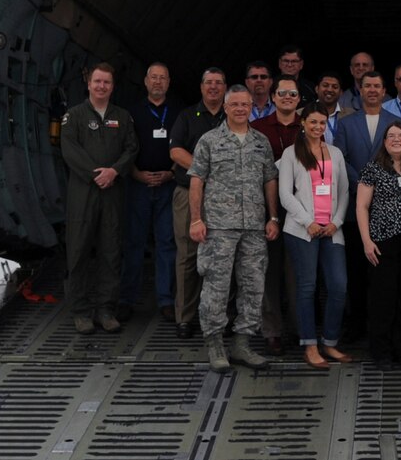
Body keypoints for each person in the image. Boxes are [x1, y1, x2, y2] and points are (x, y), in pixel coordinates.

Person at [189, 85, 281, 372]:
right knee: (216, 286)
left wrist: (273, 217)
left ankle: (242, 343)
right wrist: (195, 219)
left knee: (253, 286)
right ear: (226, 107)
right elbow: (197, 181)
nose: (241, 109)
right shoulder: (209, 141)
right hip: (218, 226)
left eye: (246, 105)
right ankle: (215, 343)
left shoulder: (261, 142)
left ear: (251, 107)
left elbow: (269, 180)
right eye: (236, 105)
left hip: (254, 226)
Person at [62, 64, 137, 333]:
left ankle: (106, 309)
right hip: (83, 193)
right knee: (79, 250)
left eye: (106, 82)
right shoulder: (74, 116)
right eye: (97, 81)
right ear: (89, 84)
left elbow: (131, 148)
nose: (101, 86)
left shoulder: (123, 117)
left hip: (112, 193)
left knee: (110, 250)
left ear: (112, 86)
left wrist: (115, 171)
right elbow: (69, 150)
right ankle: (81, 312)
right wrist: (97, 174)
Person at [277, 105, 352, 368]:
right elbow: (285, 194)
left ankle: (329, 342)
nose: (318, 127)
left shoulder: (335, 152)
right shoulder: (291, 154)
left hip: (332, 229)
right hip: (302, 231)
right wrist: (307, 221)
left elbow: (343, 191)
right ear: (303, 123)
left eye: (322, 123)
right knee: (306, 288)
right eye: (313, 122)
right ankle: (309, 345)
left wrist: (337, 222)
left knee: (338, 286)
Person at [356, 120, 401, 365]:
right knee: (383, 298)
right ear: (384, 142)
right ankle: (382, 352)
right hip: (382, 242)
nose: (396, 139)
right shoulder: (373, 168)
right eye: (391, 136)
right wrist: (366, 241)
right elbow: (362, 206)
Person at [167, 67, 227, 338]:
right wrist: (203, 168)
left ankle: (219, 316)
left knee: (223, 258)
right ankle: (185, 317)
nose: (213, 87)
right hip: (188, 192)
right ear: (201, 87)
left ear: (225, 87)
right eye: (208, 83)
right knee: (188, 256)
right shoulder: (187, 116)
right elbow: (176, 150)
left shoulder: (233, 115)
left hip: (224, 197)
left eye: (218, 83)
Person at [119, 61, 178, 322]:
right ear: (145, 81)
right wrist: (134, 172)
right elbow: (123, 147)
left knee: (167, 243)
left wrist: (172, 172)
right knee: (133, 243)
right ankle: (126, 299)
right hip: (138, 184)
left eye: (162, 78)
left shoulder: (179, 111)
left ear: (168, 82)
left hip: (168, 185)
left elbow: (187, 144)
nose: (157, 82)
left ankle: (166, 300)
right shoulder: (130, 113)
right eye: (153, 77)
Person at [336, 70, 392, 344]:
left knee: (380, 270)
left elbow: (400, 156)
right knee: (355, 269)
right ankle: (355, 323)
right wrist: (363, 182)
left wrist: (378, 184)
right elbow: (340, 158)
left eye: (377, 86)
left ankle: (379, 326)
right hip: (353, 204)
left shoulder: (395, 121)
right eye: (367, 86)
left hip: (385, 207)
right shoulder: (346, 124)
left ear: (384, 91)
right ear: (360, 90)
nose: (371, 90)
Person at [251, 78, 307, 352]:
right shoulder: (257, 129)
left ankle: (300, 329)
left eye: (292, 93)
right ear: (273, 96)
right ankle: (271, 330)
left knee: (298, 272)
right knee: (269, 272)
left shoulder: (309, 127)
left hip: (302, 211)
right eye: (282, 93)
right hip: (267, 210)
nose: (287, 97)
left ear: (299, 99)